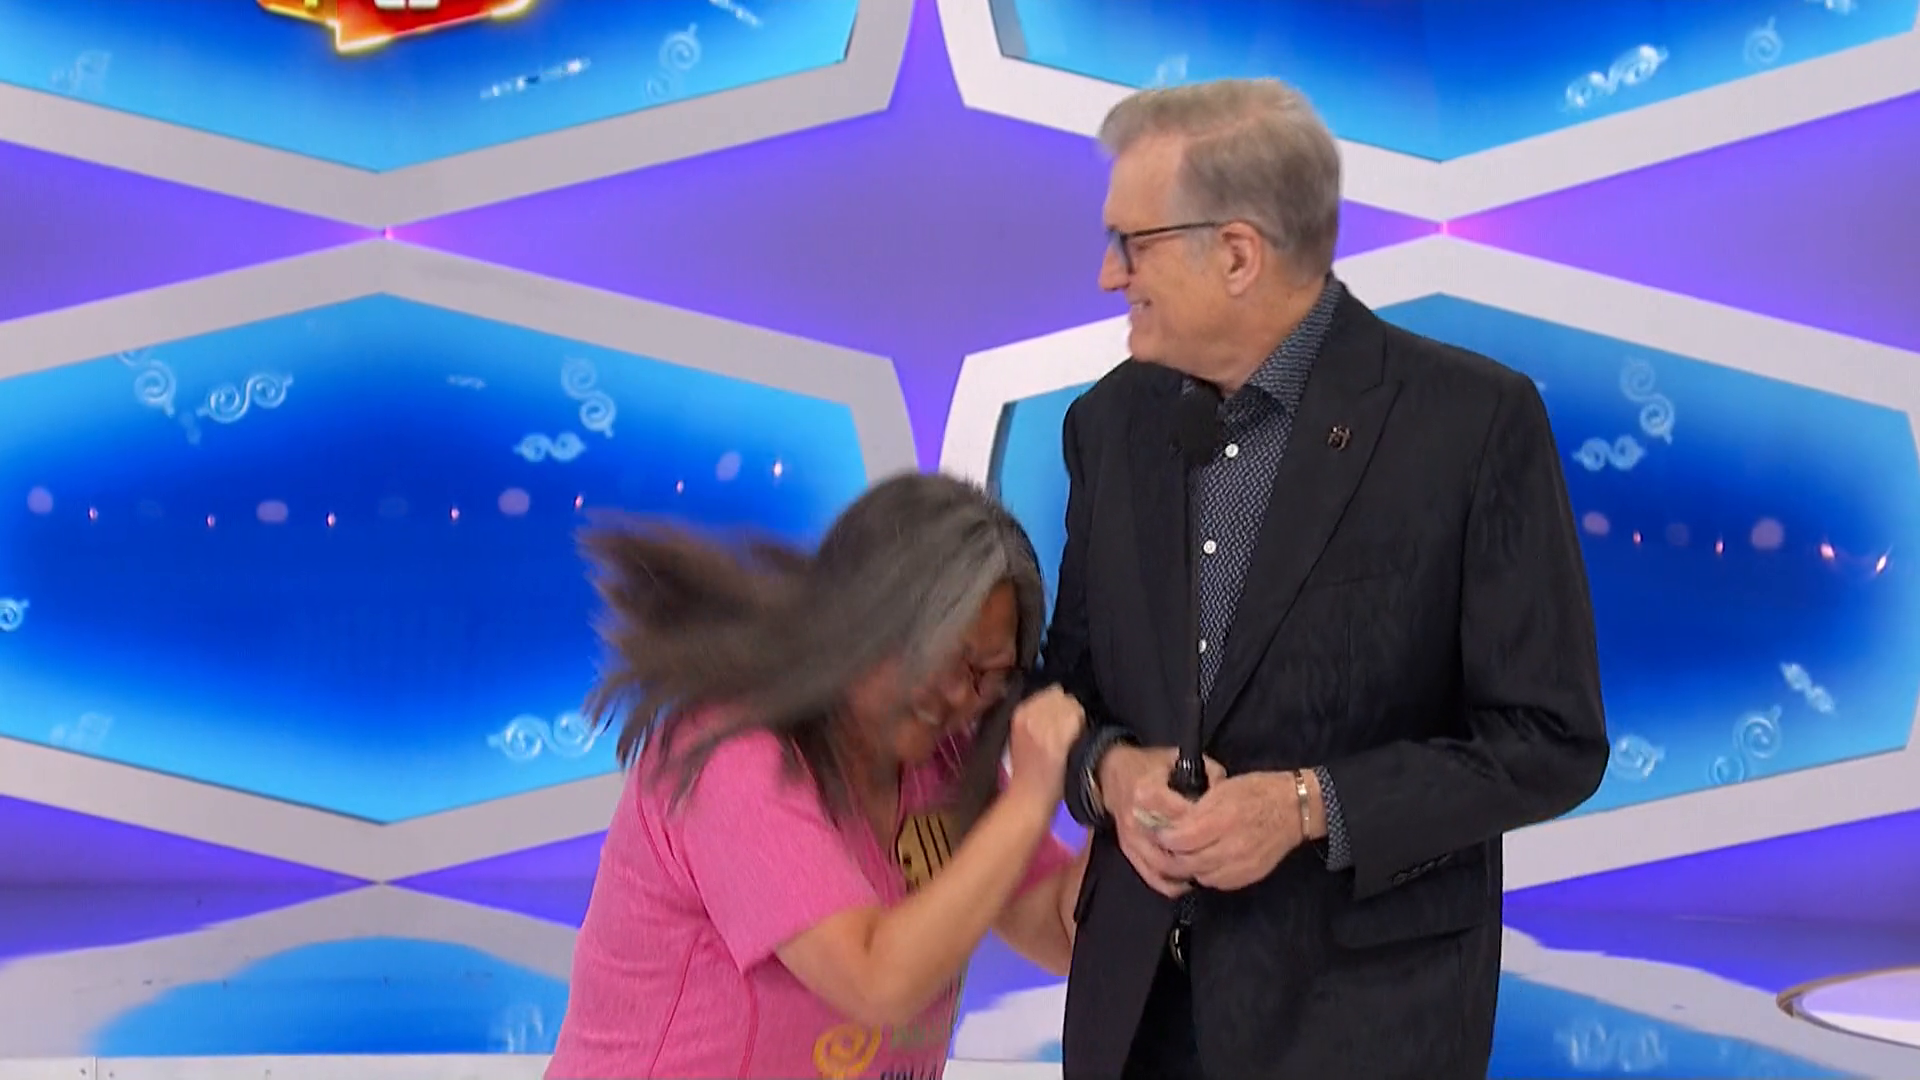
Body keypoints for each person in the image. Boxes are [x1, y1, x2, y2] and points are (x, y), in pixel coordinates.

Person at [1043, 79, 1609, 1079]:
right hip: (1135, 1018)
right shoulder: (1108, 424)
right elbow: (1064, 689)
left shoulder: (1470, 425)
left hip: (1360, 1025)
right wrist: (1111, 775)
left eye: (1132, 243)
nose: (1106, 274)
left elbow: (1550, 741)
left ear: (1237, 253)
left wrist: (1311, 806)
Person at [546, 473, 1088, 1080]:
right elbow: (875, 981)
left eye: (989, 676)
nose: (962, 695)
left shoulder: (945, 762)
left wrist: (1122, 784)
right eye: (948, 657)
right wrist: (1032, 798)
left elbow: (1064, 931)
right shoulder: (731, 753)